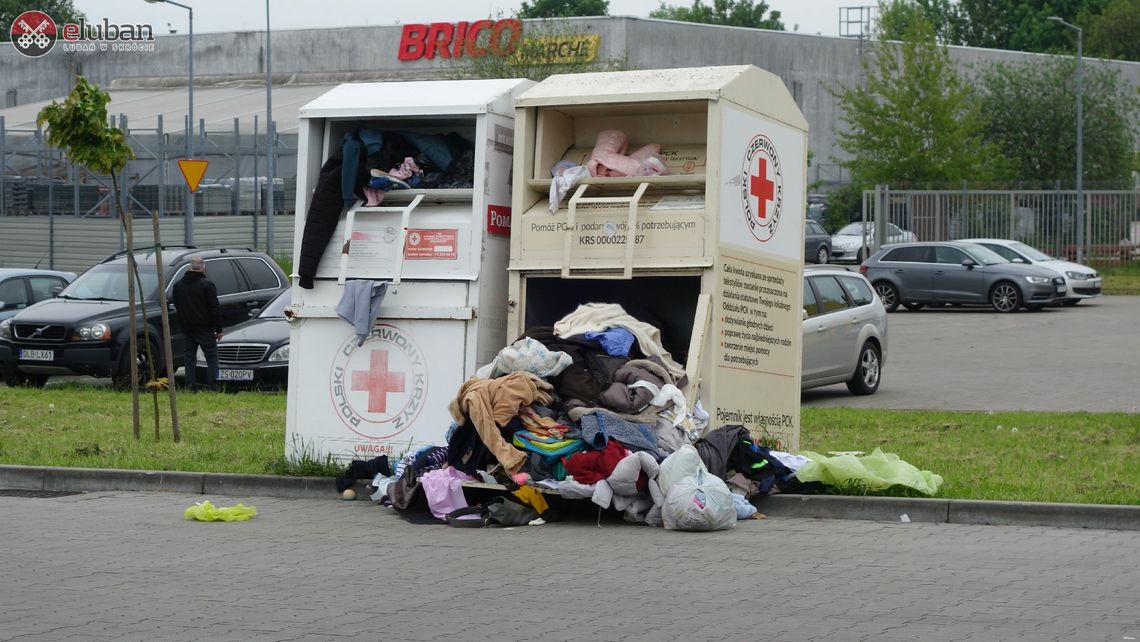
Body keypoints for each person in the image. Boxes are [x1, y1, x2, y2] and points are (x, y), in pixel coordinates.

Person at [172, 256, 222, 391]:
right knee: (211, 357)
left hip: (187, 328)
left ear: (189, 267)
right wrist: (218, 329)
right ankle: (213, 385)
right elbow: (214, 309)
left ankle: (191, 385)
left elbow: (176, 304)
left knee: (189, 358)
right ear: (203, 268)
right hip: (205, 328)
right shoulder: (207, 285)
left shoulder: (178, 286)